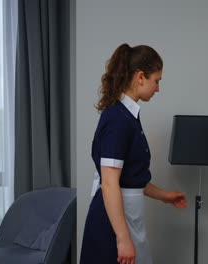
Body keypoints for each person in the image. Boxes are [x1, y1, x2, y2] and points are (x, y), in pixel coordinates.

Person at [80, 43, 187, 264]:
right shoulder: (118, 119)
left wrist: (165, 196)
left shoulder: (128, 117)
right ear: (140, 77)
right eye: (156, 81)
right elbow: (110, 183)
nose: (158, 88)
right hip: (113, 222)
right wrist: (122, 238)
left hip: (126, 217)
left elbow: (130, 178)